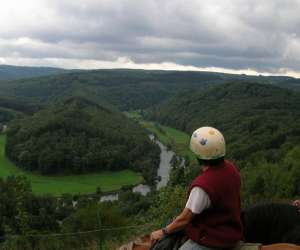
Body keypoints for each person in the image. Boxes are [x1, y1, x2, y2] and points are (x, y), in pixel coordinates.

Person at [150, 126, 242, 250]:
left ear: (198, 154)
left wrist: (164, 231)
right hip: (232, 231)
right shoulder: (231, 169)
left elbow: (184, 219)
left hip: (214, 238)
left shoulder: (202, 186)